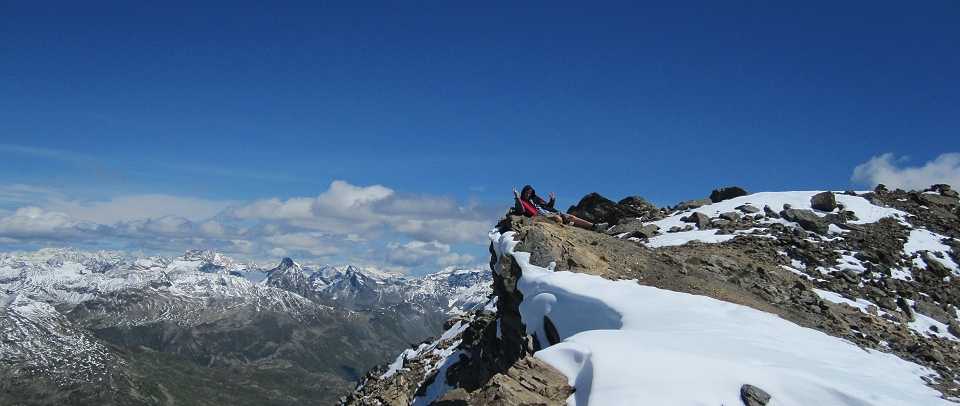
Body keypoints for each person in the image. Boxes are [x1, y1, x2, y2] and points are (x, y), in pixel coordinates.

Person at [513, 185, 607, 231]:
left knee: (572, 217)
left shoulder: (536, 199)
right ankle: (566, 226)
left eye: (529, 193)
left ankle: (595, 226)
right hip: (542, 216)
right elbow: (521, 210)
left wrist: (552, 200)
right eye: (526, 193)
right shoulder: (522, 202)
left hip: (551, 212)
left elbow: (548, 207)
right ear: (523, 192)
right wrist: (517, 197)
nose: (528, 194)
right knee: (559, 219)